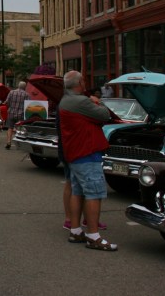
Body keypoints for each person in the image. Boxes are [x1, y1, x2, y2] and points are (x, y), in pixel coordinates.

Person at [59, 70, 118, 251]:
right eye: (83, 80)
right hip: (87, 152)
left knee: (78, 191)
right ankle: (93, 235)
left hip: (75, 153)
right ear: (80, 83)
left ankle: (76, 230)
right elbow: (104, 115)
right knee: (94, 192)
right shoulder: (81, 101)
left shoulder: (65, 101)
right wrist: (97, 101)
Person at [4, 81, 29, 149]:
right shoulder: (26, 94)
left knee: (10, 128)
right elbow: (28, 106)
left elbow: (7, 102)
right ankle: (18, 144)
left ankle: (8, 141)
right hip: (21, 114)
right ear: (25, 87)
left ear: (18, 86)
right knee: (19, 129)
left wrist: (10, 106)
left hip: (11, 113)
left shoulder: (12, 92)